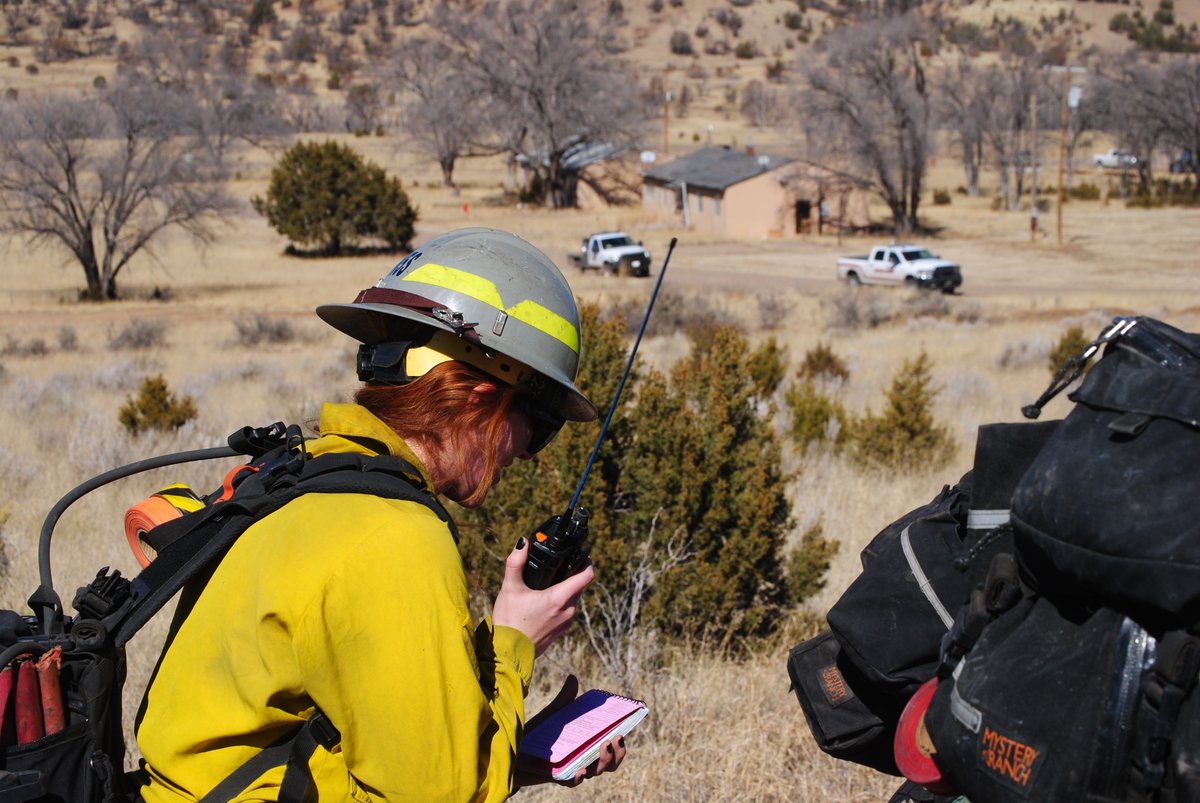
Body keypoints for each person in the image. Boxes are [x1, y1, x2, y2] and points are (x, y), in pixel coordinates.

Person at [137, 227, 626, 801]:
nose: (525, 450)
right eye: (539, 424)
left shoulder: (296, 478)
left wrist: (508, 757)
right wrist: (514, 645)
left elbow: (359, 751)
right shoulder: (394, 539)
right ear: (479, 399)